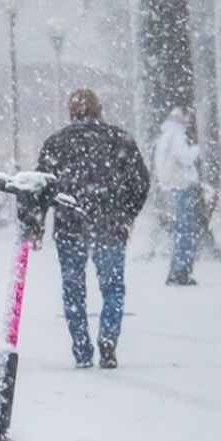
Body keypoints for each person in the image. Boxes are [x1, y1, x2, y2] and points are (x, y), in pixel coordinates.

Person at [36, 89, 150, 369]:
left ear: (71, 111)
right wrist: (127, 213)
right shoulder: (119, 140)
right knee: (112, 288)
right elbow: (141, 182)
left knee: (73, 289)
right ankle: (108, 338)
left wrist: (36, 223)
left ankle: (81, 349)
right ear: (99, 109)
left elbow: (39, 187)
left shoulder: (56, 143)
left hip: (70, 225)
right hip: (109, 224)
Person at [152, 107, 203, 285]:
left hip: (171, 186)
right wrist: (198, 149)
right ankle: (180, 271)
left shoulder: (166, 136)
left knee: (181, 229)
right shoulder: (176, 136)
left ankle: (178, 270)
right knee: (186, 229)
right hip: (181, 185)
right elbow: (185, 158)